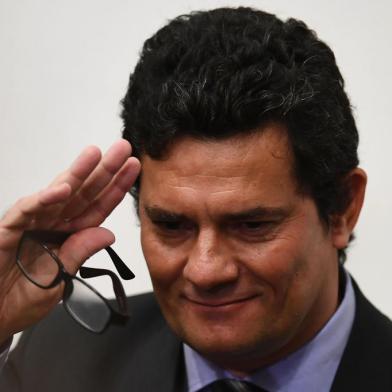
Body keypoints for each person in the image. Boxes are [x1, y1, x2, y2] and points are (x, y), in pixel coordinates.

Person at [0, 6, 391, 392]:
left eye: (252, 226)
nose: (205, 271)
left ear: (342, 208)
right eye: (172, 226)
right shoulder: (59, 355)